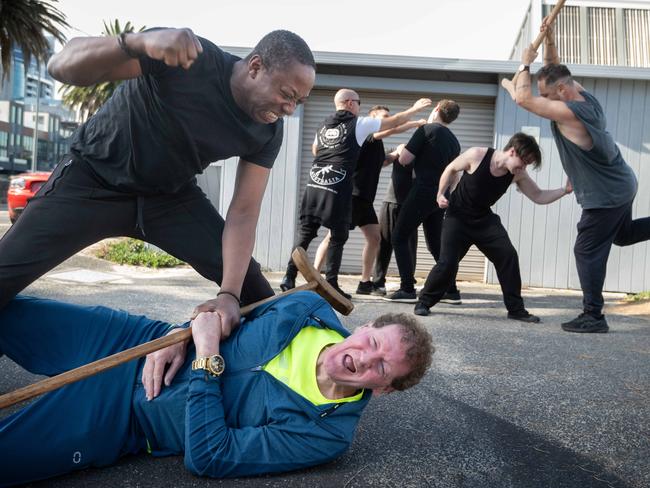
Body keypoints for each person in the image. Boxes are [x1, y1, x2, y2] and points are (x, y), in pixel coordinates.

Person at [0, 28, 316, 336]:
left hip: (169, 198)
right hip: (92, 179)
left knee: (252, 289)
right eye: (286, 95)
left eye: (298, 102)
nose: (288, 109)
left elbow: (244, 212)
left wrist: (229, 295)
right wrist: (136, 42)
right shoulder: (189, 59)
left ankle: (260, 373)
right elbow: (61, 66)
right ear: (255, 66)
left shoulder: (268, 132)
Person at [0, 291, 433, 485]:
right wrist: (185, 330)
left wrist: (206, 357)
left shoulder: (326, 435)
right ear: (368, 326)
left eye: (381, 368)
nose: (363, 357)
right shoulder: (309, 308)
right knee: (9, 310)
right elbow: (223, 312)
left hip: (129, 417)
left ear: (384, 390)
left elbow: (210, 456)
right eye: (373, 342)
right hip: (137, 339)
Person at [514, 17, 650, 333]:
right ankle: (593, 313)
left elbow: (522, 98)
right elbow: (554, 71)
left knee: (586, 249)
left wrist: (523, 65)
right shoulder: (581, 94)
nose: (544, 100)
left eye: (547, 96)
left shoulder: (570, 113)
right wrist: (549, 40)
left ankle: (594, 316)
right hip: (620, 183)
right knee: (622, 235)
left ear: (561, 92)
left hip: (606, 194)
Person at [280, 90, 432, 297]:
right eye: (358, 103)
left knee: (306, 234)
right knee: (338, 235)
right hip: (338, 188)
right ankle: (330, 283)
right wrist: (416, 110)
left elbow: (315, 149)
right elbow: (395, 121)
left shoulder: (324, 124)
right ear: (351, 103)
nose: (359, 107)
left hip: (315, 184)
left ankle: (289, 277)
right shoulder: (359, 124)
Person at [413, 133, 573, 320]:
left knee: (508, 255)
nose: (524, 167)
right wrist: (440, 193)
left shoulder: (517, 174)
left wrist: (564, 190)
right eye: (524, 162)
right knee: (447, 263)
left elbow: (538, 196)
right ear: (512, 151)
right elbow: (451, 169)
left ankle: (516, 310)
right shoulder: (477, 155)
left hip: (483, 220)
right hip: (457, 217)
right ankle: (423, 302)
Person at [312, 105, 425, 295]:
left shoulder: (375, 144)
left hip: (364, 199)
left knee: (374, 238)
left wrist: (397, 153)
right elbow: (393, 129)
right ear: (372, 119)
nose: (388, 119)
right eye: (384, 116)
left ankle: (365, 283)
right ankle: (314, 277)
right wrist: (417, 123)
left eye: (389, 116)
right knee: (333, 237)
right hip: (352, 195)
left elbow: (382, 162)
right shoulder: (366, 134)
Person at [384, 100, 463, 303]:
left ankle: (407, 289)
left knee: (399, 236)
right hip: (440, 196)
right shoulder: (454, 141)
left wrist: (402, 148)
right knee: (436, 243)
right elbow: (455, 174)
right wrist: (445, 193)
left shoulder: (426, 130)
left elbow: (404, 160)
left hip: (422, 191)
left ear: (436, 109)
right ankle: (451, 290)